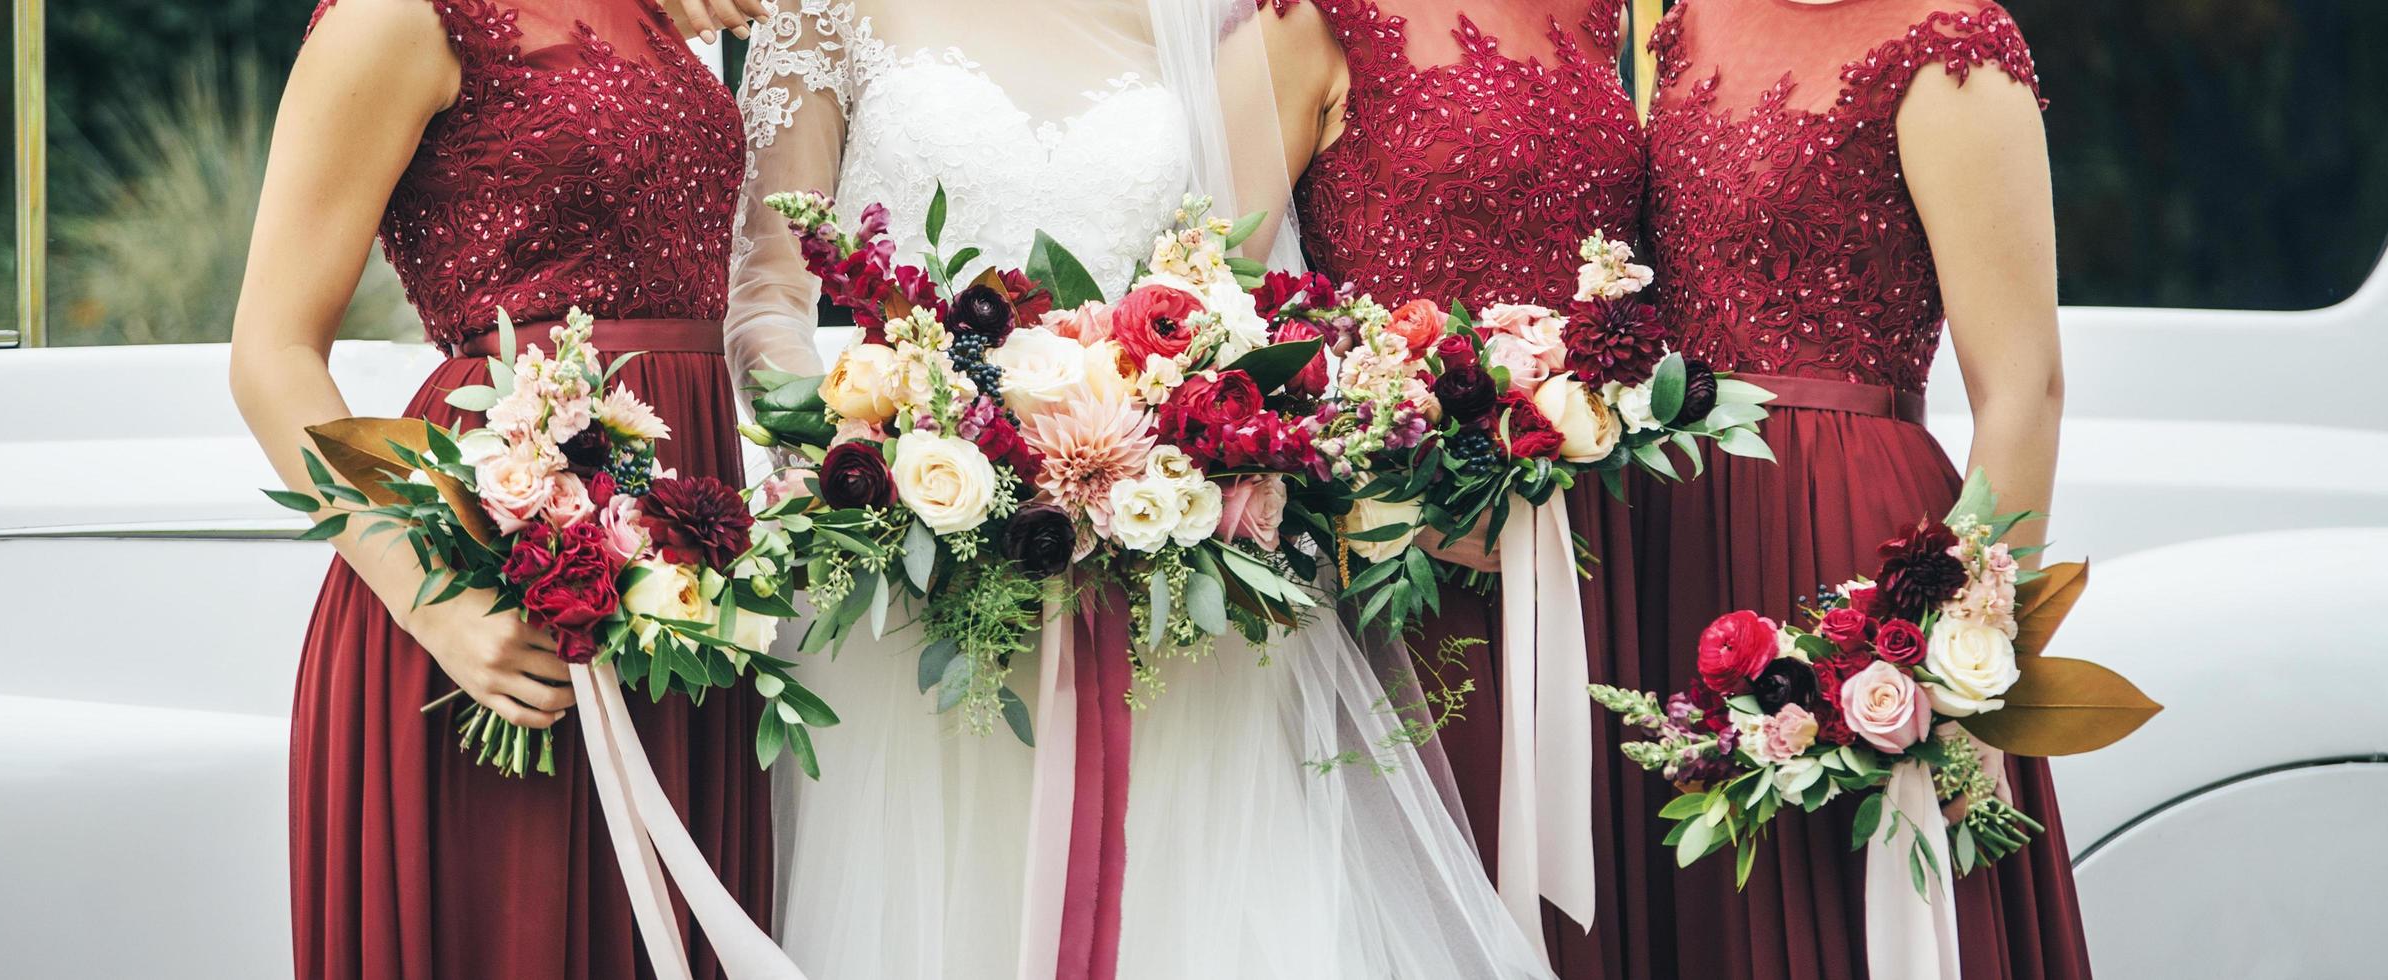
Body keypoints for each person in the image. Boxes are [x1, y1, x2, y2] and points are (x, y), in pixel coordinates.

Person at [691, 0, 1549, 975]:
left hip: (1154, 573)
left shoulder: (1218, 21)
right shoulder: (823, 10)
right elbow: (769, 290)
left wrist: (1167, 459)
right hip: (910, 556)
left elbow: (1223, 288)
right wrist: (859, 456)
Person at [229, 0, 774, 974]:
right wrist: (437, 607)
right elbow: (270, 357)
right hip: (494, 581)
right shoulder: (397, 16)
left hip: (682, 585)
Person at [1628, 0, 2090, 976]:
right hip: (1673, 534)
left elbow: (2022, 391)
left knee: (1850, 903)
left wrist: (1962, 659)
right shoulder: (1691, 18)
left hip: (1843, 540)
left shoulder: (1951, 42)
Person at [1259, 1, 1651, 973]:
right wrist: (1375, 474)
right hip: (1411, 558)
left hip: (1596, 537)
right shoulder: (1310, 21)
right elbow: (1218, 292)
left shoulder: (1596, 13)